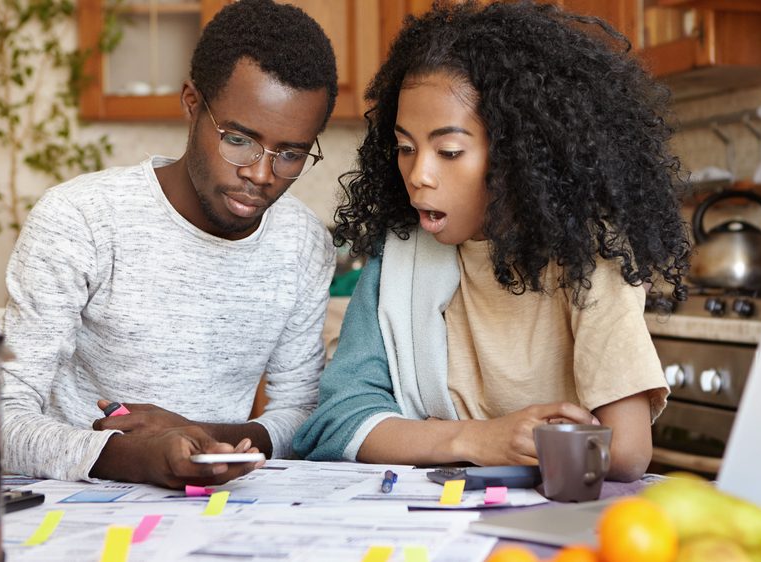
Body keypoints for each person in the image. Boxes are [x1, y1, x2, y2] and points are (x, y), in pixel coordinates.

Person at [293, 1, 691, 482]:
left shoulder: (591, 258)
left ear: (517, 153)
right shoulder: (399, 255)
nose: (418, 175)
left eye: (450, 151)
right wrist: (478, 439)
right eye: (405, 148)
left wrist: (429, 435)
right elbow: (334, 422)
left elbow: (626, 452)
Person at [0, 0, 338, 488]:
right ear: (192, 104)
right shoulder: (82, 218)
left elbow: (301, 413)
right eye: (239, 140)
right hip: (68, 506)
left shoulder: (303, 242)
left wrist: (196, 438)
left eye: (291, 153)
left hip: (217, 508)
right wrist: (135, 457)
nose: (261, 175)